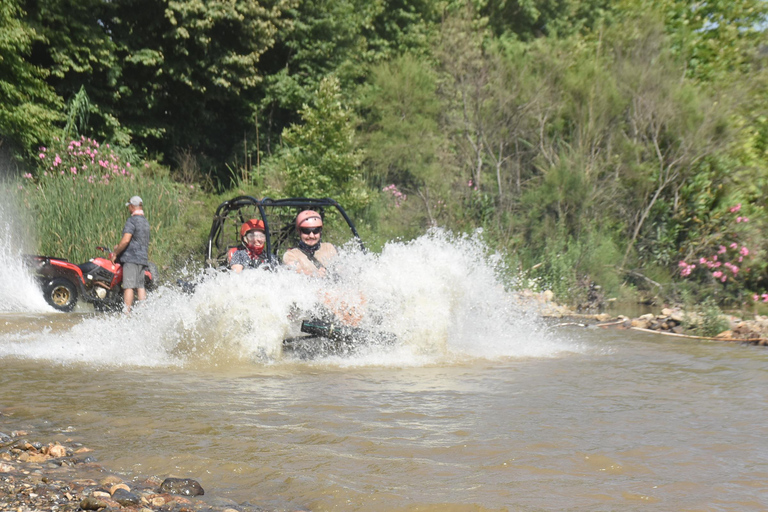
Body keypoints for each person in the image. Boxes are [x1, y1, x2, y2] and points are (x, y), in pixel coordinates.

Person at [111, 195, 150, 313]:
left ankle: (126, 313)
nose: (128, 209)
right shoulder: (145, 222)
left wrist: (116, 253)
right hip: (142, 258)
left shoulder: (132, 220)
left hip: (131, 258)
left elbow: (126, 240)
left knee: (128, 286)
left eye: (129, 207)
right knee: (140, 286)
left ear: (133, 206)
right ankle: (142, 311)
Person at [283, 210, 337, 277]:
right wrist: (314, 274)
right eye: (306, 231)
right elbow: (295, 271)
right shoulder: (291, 255)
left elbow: (340, 269)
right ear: (299, 232)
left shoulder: (328, 248)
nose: (311, 236)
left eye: (316, 231)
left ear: (320, 232)